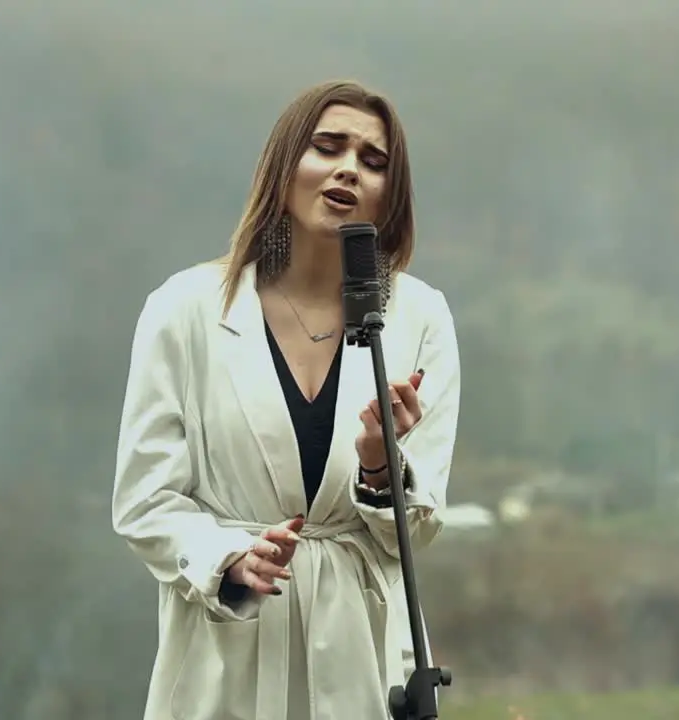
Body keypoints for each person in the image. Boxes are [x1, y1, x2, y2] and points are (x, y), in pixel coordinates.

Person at [111, 79, 461, 720]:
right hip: (226, 653)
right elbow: (144, 501)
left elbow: (416, 529)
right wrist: (228, 561)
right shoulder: (184, 309)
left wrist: (382, 466)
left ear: (391, 194)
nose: (349, 169)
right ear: (285, 163)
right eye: (327, 147)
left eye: (373, 160)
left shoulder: (418, 316)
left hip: (365, 658)